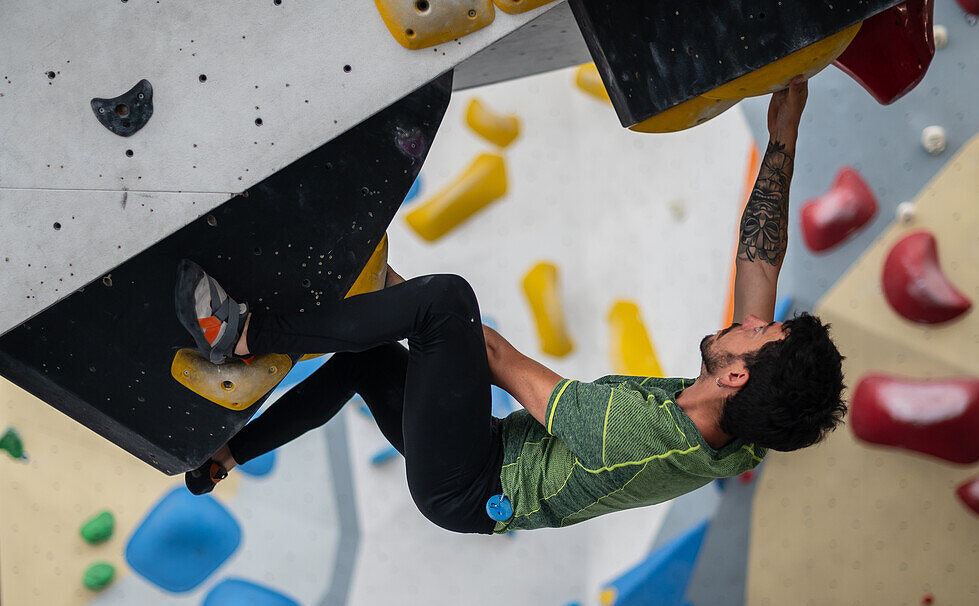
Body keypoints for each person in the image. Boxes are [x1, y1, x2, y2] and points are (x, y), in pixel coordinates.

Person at [175, 78, 846, 535]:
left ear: (736, 376)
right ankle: (227, 456)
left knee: (446, 302)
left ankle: (245, 336)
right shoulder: (746, 421)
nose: (752, 317)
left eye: (760, 333)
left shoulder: (625, 435)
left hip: (468, 482)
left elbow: (491, 354)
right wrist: (785, 131)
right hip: (482, 458)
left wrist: (379, 277)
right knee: (364, 362)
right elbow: (760, 258)